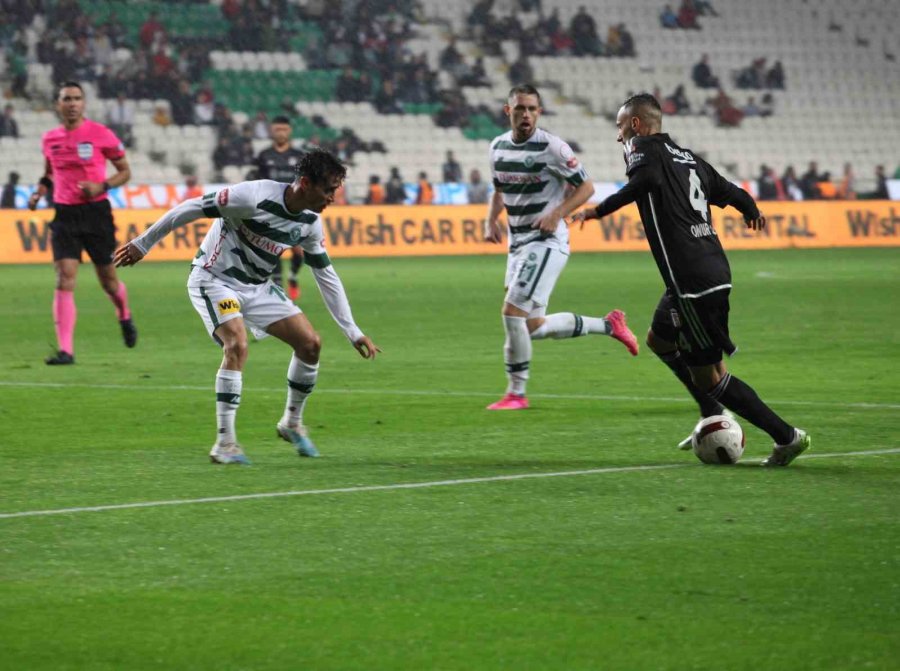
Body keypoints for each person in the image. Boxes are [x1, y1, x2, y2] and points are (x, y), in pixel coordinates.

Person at [570, 93, 810, 466]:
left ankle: (786, 436)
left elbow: (643, 181)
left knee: (711, 376)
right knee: (659, 339)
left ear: (635, 124)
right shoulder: (689, 159)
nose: (618, 137)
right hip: (706, 271)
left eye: (620, 127)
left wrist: (599, 211)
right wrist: (751, 211)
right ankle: (711, 412)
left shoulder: (642, 151)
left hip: (693, 282)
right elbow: (733, 192)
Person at [113, 148, 380, 465]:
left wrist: (352, 330)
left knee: (310, 344)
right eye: (329, 189)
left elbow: (325, 273)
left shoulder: (310, 222)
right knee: (236, 343)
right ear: (306, 183)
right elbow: (191, 208)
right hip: (214, 279)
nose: (333, 198)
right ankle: (225, 444)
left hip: (258, 286)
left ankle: (292, 423)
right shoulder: (251, 196)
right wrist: (143, 243)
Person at [483, 84, 638, 411]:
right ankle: (610, 325)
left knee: (512, 313)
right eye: (520, 108)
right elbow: (499, 187)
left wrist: (556, 214)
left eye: (532, 109)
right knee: (533, 327)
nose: (526, 115)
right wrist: (490, 220)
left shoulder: (553, 147)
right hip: (518, 244)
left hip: (547, 241)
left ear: (539, 113)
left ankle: (516, 393)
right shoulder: (497, 147)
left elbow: (586, 187)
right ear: (507, 111)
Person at [28, 81, 137, 366]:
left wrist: (102, 186)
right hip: (64, 215)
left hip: (95, 213)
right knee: (64, 277)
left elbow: (125, 172)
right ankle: (66, 351)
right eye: (67, 99)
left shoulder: (101, 134)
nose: (72, 103)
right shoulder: (50, 138)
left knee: (109, 283)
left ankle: (124, 314)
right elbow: (49, 172)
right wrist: (41, 190)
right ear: (58, 104)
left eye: (77, 98)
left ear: (84, 103)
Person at [254, 115, 307, 300]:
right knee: (273, 250)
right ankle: (277, 289)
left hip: (294, 211)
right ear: (272, 131)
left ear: (289, 131)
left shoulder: (299, 156)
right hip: (271, 211)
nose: (281, 132)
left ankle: (292, 277)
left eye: (284, 129)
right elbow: (258, 183)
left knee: (299, 253)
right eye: (277, 129)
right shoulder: (264, 156)